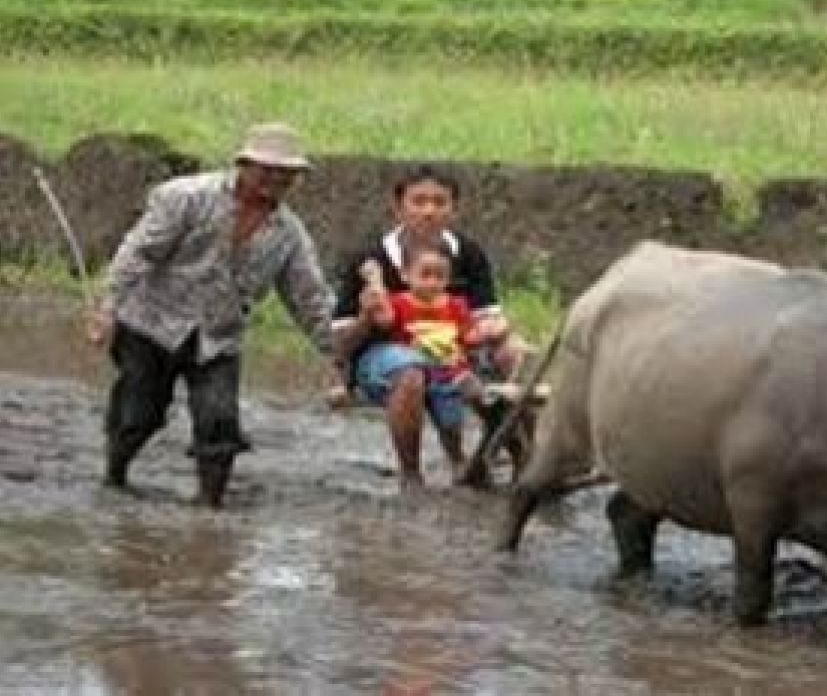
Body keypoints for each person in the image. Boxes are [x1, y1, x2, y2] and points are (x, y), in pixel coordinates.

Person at [86, 122, 341, 508]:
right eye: (267, 169)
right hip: (149, 323)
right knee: (140, 413)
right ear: (243, 165)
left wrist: (339, 354)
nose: (276, 179)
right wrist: (108, 308)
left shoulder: (289, 234)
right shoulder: (184, 198)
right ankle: (115, 473)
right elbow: (138, 254)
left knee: (219, 421)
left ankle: (210, 506)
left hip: (218, 336)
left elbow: (309, 299)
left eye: (286, 173)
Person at [333, 164, 517, 487]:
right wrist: (367, 317)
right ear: (398, 206)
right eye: (418, 201)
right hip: (385, 357)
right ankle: (411, 475)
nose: (429, 211)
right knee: (410, 372)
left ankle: (517, 459)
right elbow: (339, 343)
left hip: (454, 351)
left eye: (439, 202)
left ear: (453, 209)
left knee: (511, 356)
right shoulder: (369, 258)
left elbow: (486, 318)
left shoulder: (469, 253)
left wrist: (498, 333)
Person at [362, 244, 486, 484]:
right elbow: (384, 320)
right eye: (425, 275)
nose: (432, 283)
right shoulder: (399, 302)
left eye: (440, 277)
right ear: (405, 275)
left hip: (450, 373)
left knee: (451, 423)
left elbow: (469, 336)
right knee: (413, 380)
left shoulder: (455, 305)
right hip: (416, 371)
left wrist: (486, 333)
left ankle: (457, 458)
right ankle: (412, 470)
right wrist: (375, 282)